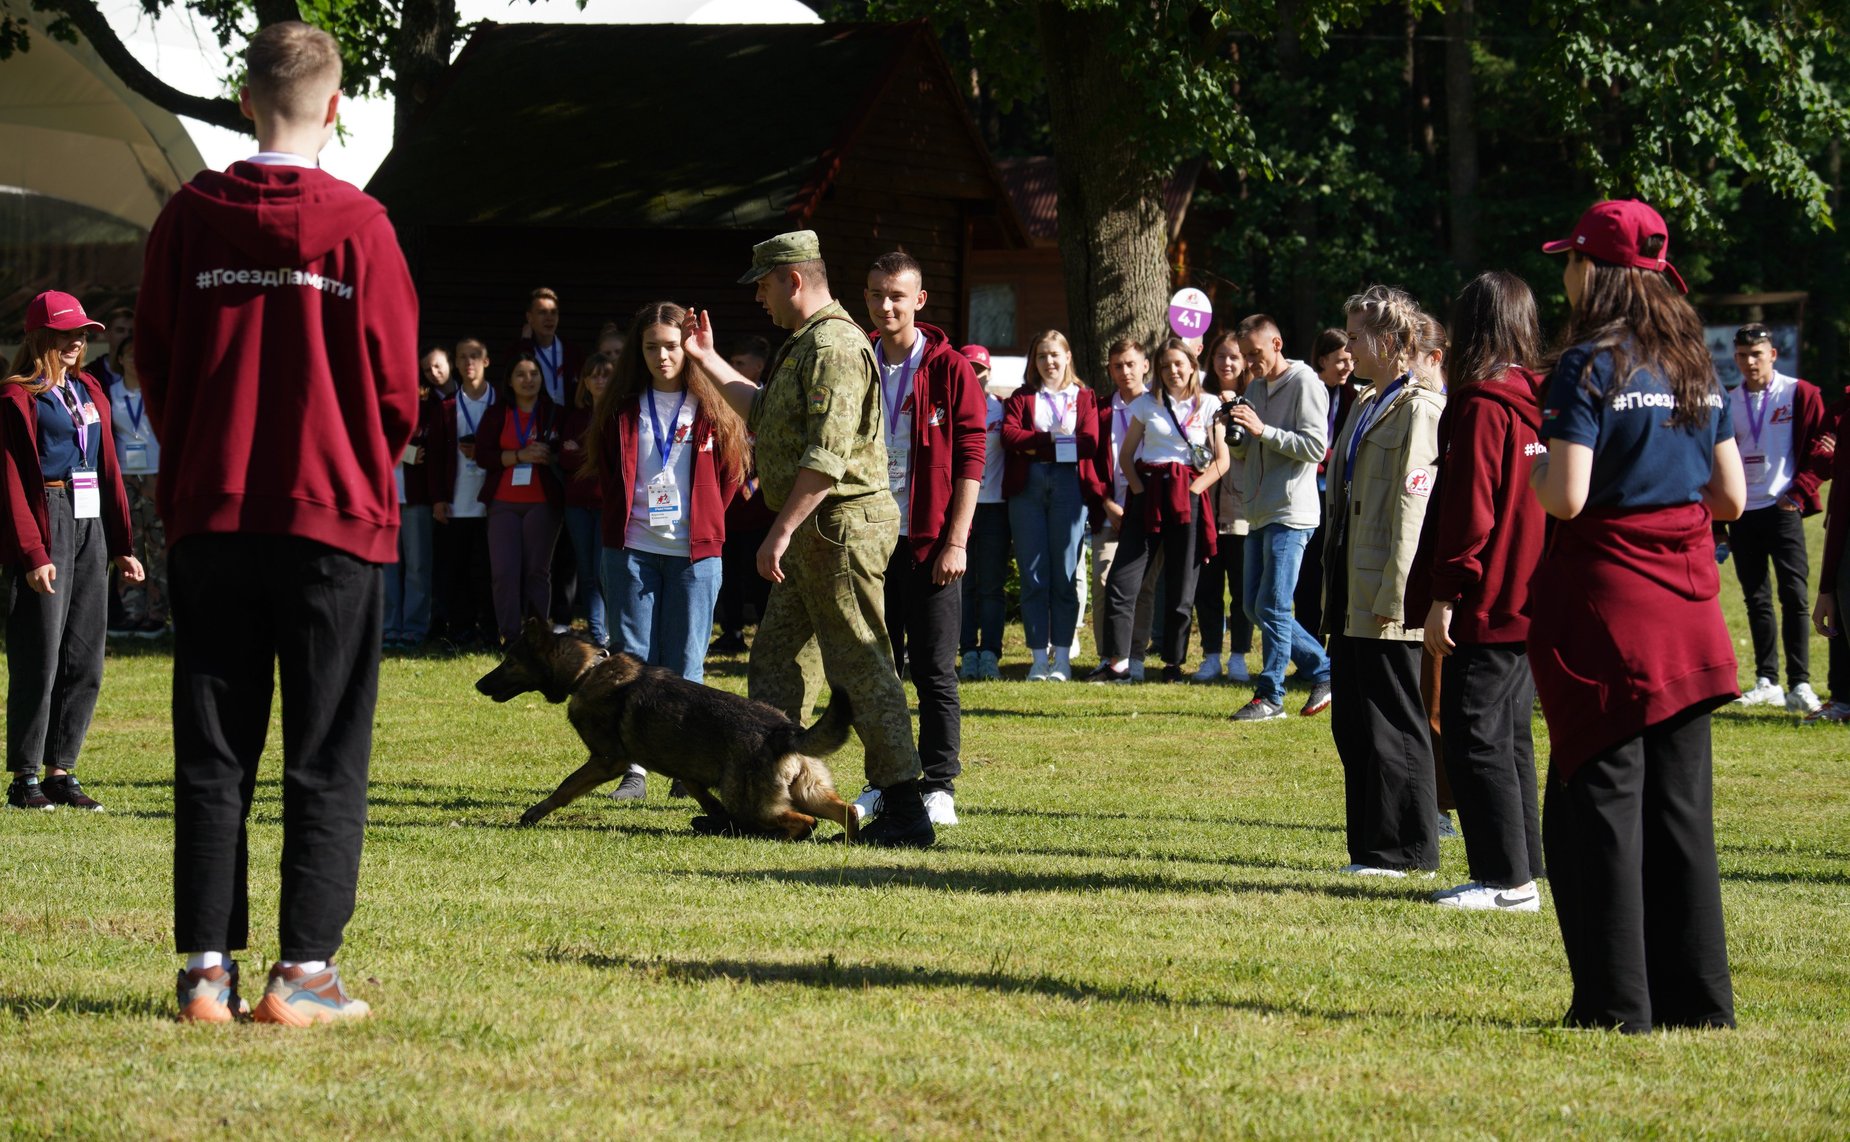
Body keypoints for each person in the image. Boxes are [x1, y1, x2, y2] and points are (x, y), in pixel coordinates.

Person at [136, 20, 419, 1025]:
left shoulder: (187, 217)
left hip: (214, 512)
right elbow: (394, 389)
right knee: (325, 747)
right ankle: (302, 973)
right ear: (335, 107)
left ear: (244, 98)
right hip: (332, 516)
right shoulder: (365, 229)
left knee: (213, 745)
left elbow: (154, 365)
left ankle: (205, 971)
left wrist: (205, 452)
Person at [1531, 199, 1742, 1033]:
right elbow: (1729, 495)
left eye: (1571, 259)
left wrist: (1537, 471)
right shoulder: (1693, 363)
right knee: (1683, 813)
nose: (1564, 273)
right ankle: (1701, 1004)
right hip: (1688, 603)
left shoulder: (1585, 366)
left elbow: (1570, 495)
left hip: (1612, 610)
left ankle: (1619, 1006)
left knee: (1603, 808)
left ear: (1596, 272)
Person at [679, 230, 933, 848]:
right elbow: (762, 409)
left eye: (763, 284)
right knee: (777, 663)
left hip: (836, 529)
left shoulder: (836, 347)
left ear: (793, 279)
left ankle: (905, 808)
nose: (759, 297)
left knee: (863, 663)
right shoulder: (807, 343)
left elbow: (828, 455)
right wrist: (706, 358)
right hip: (815, 532)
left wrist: (780, 530)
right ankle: (765, 801)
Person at [1416, 271, 1548, 911]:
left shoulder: (1480, 404)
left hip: (1489, 594)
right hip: (1535, 591)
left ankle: (1505, 880)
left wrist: (1446, 594)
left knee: (1475, 732)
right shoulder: (1542, 400)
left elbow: (1470, 510)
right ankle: (1527, 867)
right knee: (1511, 733)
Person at [583, 303, 747, 799]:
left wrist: (702, 524)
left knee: (687, 662)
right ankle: (633, 767)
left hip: (696, 555)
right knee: (631, 659)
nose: (661, 356)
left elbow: (730, 477)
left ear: (688, 348)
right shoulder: (621, 406)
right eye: (651, 347)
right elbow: (609, 473)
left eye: (671, 346)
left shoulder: (715, 405)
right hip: (631, 548)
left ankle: (687, 768)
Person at [856, 252, 985, 827]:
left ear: (919, 301)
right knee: (876, 669)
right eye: (877, 294)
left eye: (897, 296)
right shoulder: (855, 361)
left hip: (929, 544)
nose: (886, 306)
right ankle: (883, 779)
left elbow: (971, 457)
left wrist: (955, 541)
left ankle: (939, 784)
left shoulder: (950, 367)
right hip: (867, 541)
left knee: (934, 669)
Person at [2, 291, 144, 812]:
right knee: (39, 654)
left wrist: (123, 544)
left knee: (85, 654)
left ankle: (63, 771)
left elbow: (106, 466)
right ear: (41, 336)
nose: (78, 340)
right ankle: (25, 777)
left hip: (90, 525)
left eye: (84, 331)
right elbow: (11, 483)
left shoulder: (89, 389)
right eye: (67, 332)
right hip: (49, 517)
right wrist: (34, 552)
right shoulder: (17, 397)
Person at [1323, 285, 1444, 875]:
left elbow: (1411, 508)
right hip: (1351, 585)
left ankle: (1407, 849)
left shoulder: (1420, 409)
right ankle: (1372, 847)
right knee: (1354, 722)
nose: (1346, 350)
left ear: (1391, 342)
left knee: (1393, 719)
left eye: (1354, 337)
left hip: (1385, 591)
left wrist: (1397, 596)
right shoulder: (1364, 402)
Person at [1089, 339, 1227, 683]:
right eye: (1166, 366)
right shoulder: (1147, 405)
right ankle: (1119, 661)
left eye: (1179, 364)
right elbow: (1126, 456)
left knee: (1182, 587)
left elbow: (1221, 461)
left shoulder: (1209, 405)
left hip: (1189, 497)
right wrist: (1139, 489)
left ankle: (1172, 663)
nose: (1173, 371)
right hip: (1150, 495)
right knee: (1122, 579)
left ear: (1193, 366)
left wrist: (1194, 490)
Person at [1226, 315, 1332, 720]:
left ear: (1277, 343)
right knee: (1255, 606)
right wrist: (1234, 432)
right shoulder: (1254, 387)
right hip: (1258, 510)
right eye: (1245, 355)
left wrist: (1262, 430)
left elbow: (1315, 447)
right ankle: (1323, 668)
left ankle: (1270, 695)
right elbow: (1247, 450)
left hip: (1292, 511)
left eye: (1256, 353)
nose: (1251, 362)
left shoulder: (1305, 382)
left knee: (1272, 604)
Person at [1721, 323, 1829, 714]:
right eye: (1741, 355)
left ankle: (1800, 682)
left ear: (1772, 354)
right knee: (1756, 599)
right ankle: (1767, 680)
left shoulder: (1799, 393)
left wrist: (1799, 493)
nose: (1749, 362)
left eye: (1756, 354)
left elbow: (1825, 446)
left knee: (1795, 597)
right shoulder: (1728, 401)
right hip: (1743, 510)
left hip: (1783, 509)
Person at [1003, 330, 1099, 682]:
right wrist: (1051, 440)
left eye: (1055, 355)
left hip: (1068, 486)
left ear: (1068, 357)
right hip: (1027, 485)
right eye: (1042, 355)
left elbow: (1089, 443)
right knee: (1033, 575)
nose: (1049, 362)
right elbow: (1010, 437)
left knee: (1064, 573)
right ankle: (1037, 659)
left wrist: (1034, 445)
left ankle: (1062, 658)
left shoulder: (1084, 397)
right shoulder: (1023, 397)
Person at [1083, 338, 1161, 681]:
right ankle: (1109, 657)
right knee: (1103, 582)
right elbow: (1088, 461)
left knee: (1142, 586)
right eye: (1118, 365)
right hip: (1110, 508)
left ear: (1145, 365)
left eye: (1131, 364)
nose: (1125, 371)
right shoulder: (1101, 410)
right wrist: (1106, 502)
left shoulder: (1159, 407)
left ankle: (1136, 656)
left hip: (1148, 511)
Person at [476, 356, 563, 645]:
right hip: (503, 502)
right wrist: (519, 456)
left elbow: (567, 452)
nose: (528, 379)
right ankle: (510, 637)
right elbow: (483, 455)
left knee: (537, 571)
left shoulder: (554, 412)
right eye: (520, 374)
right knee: (504, 572)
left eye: (534, 373)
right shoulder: (496, 413)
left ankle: (538, 638)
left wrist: (552, 455)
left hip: (543, 502)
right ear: (510, 382)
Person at [428, 338, 498, 649]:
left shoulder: (500, 402)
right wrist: (438, 499)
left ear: (486, 362)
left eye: (475, 356)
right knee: (455, 572)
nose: (468, 362)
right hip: (456, 502)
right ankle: (460, 630)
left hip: (492, 503)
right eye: (462, 357)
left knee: (487, 570)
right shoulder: (446, 408)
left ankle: (489, 629)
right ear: (456, 364)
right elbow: (434, 457)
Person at [1194, 329, 1254, 683]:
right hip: (1205, 507)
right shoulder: (1198, 400)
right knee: (1208, 588)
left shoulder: (1254, 398)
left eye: (1234, 356)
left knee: (1243, 590)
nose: (1227, 362)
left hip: (1244, 510)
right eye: (1220, 356)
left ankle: (1240, 657)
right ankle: (1211, 655)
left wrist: (1235, 409)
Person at [711, 335, 776, 657]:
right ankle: (732, 632)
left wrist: (760, 479)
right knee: (729, 574)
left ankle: (765, 634)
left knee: (760, 575)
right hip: (728, 507)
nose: (733, 368)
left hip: (761, 508)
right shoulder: (723, 399)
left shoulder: (771, 398)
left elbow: (781, 448)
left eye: (739, 363)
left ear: (758, 366)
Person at [1295, 328, 1357, 643]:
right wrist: (1332, 456)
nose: (1348, 367)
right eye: (1341, 361)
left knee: (1329, 572)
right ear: (1322, 359)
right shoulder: (1307, 390)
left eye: (1351, 360)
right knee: (1308, 574)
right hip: (1308, 488)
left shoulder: (1354, 397)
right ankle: (1311, 647)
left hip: (1335, 493)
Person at [104, 338, 167, 638]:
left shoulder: (156, 391)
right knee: (128, 545)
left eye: (137, 354)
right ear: (118, 359)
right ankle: (130, 612)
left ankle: (157, 613)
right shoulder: (110, 393)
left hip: (154, 474)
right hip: (125, 476)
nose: (133, 360)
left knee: (158, 546)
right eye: (127, 354)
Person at [383, 350, 442, 650]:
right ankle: (389, 626)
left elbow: (432, 447)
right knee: (388, 566)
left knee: (418, 565)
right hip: (384, 497)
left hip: (416, 496)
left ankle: (414, 629)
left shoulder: (428, 405)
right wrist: (405, 453)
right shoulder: (377, 400)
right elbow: (375, 441)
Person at [959, 344, 1010, 682]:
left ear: (989, 373)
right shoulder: (951, 407)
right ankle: (966, 652)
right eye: (970, 370)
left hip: (995, 507)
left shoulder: (1002, 410)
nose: (975, 376)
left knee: (991, 585)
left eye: (980, 370)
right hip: (961, 506)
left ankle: (990, 652)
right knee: (962, 585)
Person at [558, 353, 614, 649]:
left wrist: (582, 452)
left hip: (607, 504)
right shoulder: (576, 416)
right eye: (593, 375)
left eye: (605, 374)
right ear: (585, 382)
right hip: (578, 504)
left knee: (604, 569)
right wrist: (592, 456)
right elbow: (564, 457)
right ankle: (597, 631)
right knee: (587, 569)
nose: (599, 380)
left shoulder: (618, 412)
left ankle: (605, 630)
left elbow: (615, 460)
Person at [88, 306, 135, 391]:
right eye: (120, 330)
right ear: (107, 334)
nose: (126, 335)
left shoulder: (144, 373)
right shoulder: (90, 373)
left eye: (131, 331)